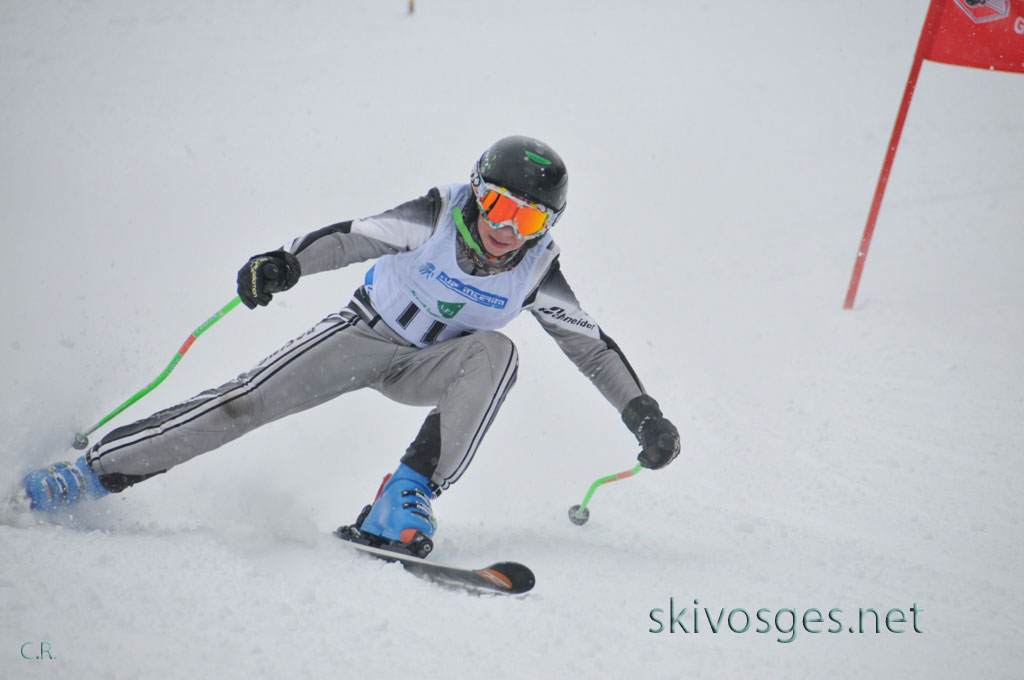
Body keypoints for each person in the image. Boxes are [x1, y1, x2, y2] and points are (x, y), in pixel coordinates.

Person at [21, 136, 680, 555]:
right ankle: (87, 474)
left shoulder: (537, 268)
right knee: (243, 403)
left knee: (498, 354)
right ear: (478, 195)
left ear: (547, 225)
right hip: (363, 335)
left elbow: (592, 348)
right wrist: (286, 263)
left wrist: (642, 413)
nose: (507, 229)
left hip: (432, 365)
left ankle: (403, 500)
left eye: (528, 217)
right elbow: (354, 237)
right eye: (500, 206)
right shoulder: (438, 213)